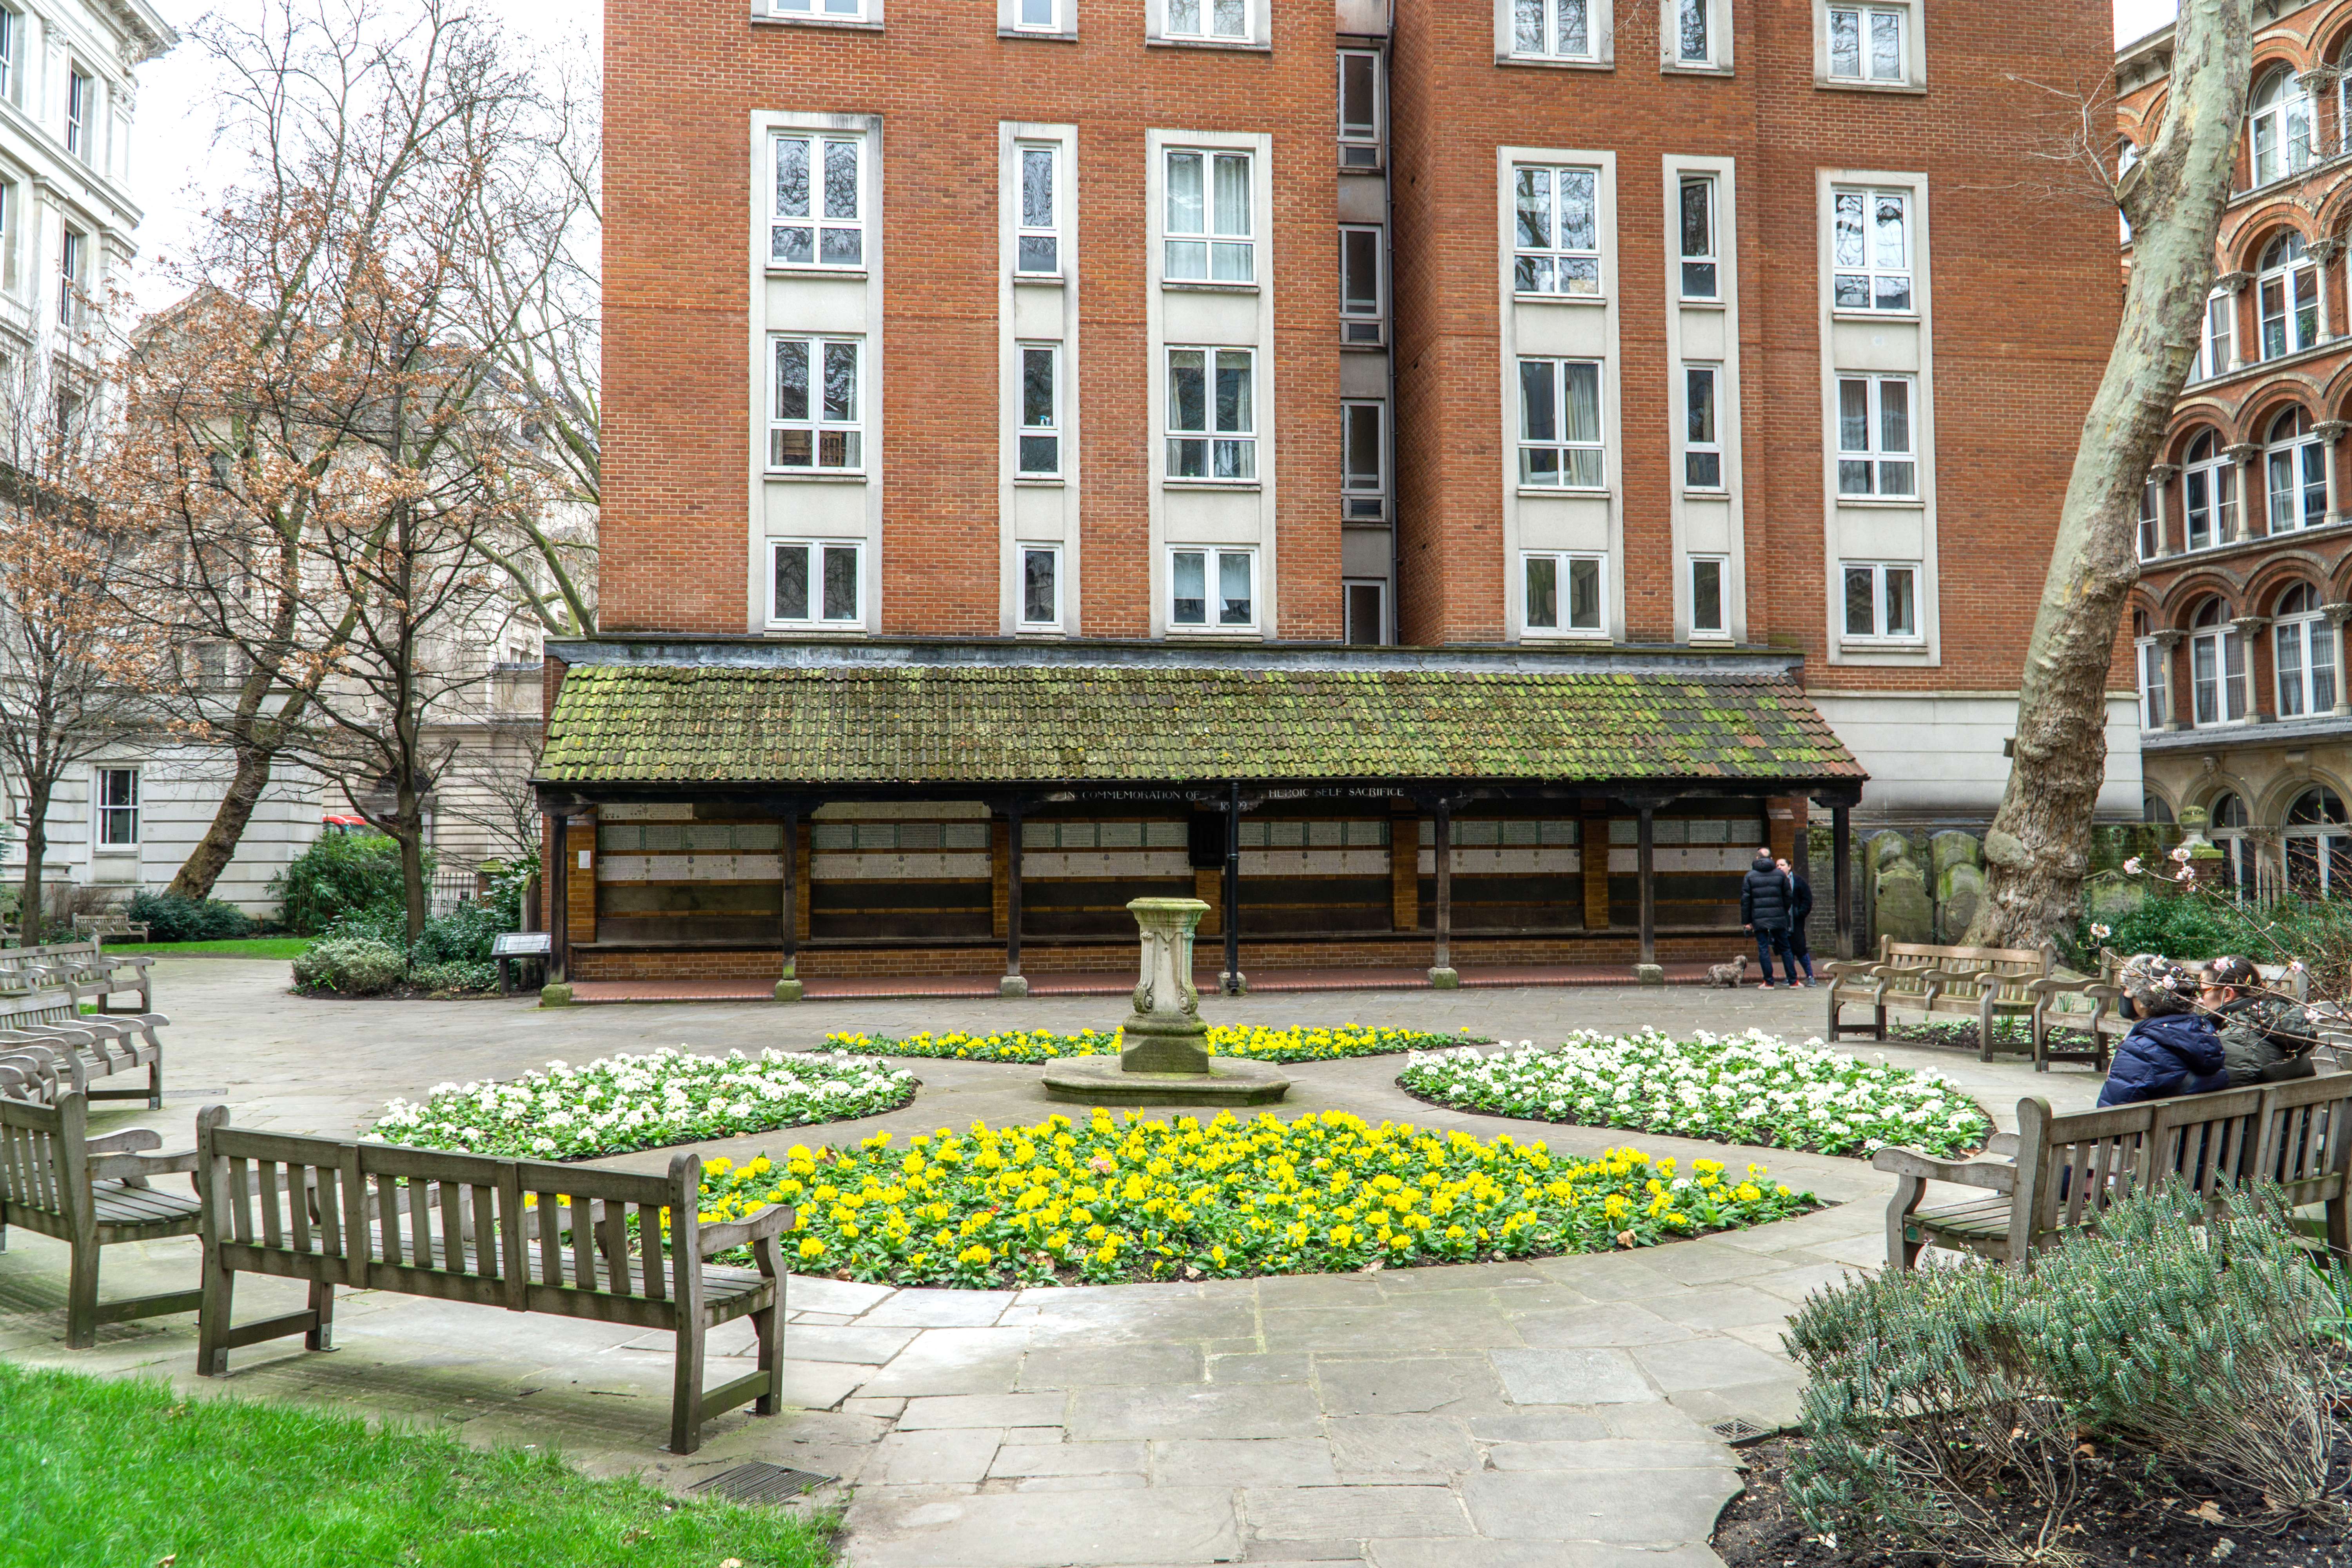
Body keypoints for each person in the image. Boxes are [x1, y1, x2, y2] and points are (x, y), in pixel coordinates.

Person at [2095, 956, 2229, 1108]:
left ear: (2145, 1001)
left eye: (2125, 988)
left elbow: (2112, 1116)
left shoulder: (2139, 1051)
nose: (2123, 995)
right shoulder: (2207, 1037)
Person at [2200, 956, 2321, 1085]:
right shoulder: (2282, 1029)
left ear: (2228, 994)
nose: (2200, 999)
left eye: (2203, 991)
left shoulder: (2232, 1040)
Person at [1739, 850, 1797, 989]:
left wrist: (1747, 922)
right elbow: (1789, 897)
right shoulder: (1780, 875)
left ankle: (1769, 982)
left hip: (1759, 919)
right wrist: (1783, 911)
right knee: (1785, 949)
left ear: (1757, 858)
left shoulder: (1750, 876)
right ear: (1772, 858)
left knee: (1764, 949)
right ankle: (1793, 981)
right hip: (1779, 918)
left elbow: (1746, 901)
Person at [1776, 857, 1815, 987]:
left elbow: (1807, 899)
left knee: (1800, 949)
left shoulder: (1798, 882)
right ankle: (1791, 976)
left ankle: (1810, 976)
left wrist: (1800, 913)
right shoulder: (1776, 881)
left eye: (1782, 865)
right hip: (1782, 922)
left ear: (1790, 866)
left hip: (1796, 922)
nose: (1780, 867)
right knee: (1787, 950)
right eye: (1777, 865)